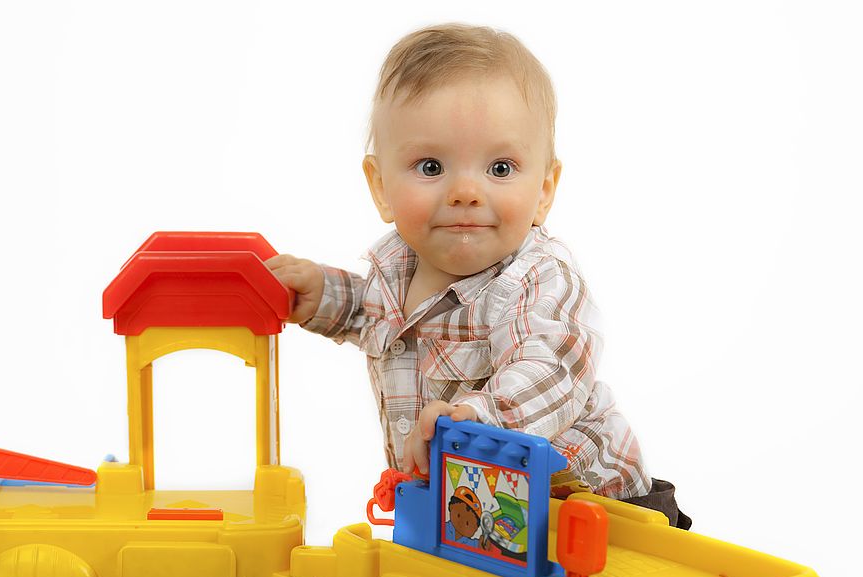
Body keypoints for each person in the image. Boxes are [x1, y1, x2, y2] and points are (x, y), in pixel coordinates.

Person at [266, 23, 690, 529]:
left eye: (501, 168)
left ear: (545, 189)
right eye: (430, 166)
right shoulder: (398, 268)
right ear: (380, 187)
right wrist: (321, 296)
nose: (466, 191)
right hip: (477, 515)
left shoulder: (536, 278)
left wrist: (479, 419)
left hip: (592, 512)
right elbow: (376, 314)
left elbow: (552, 365)